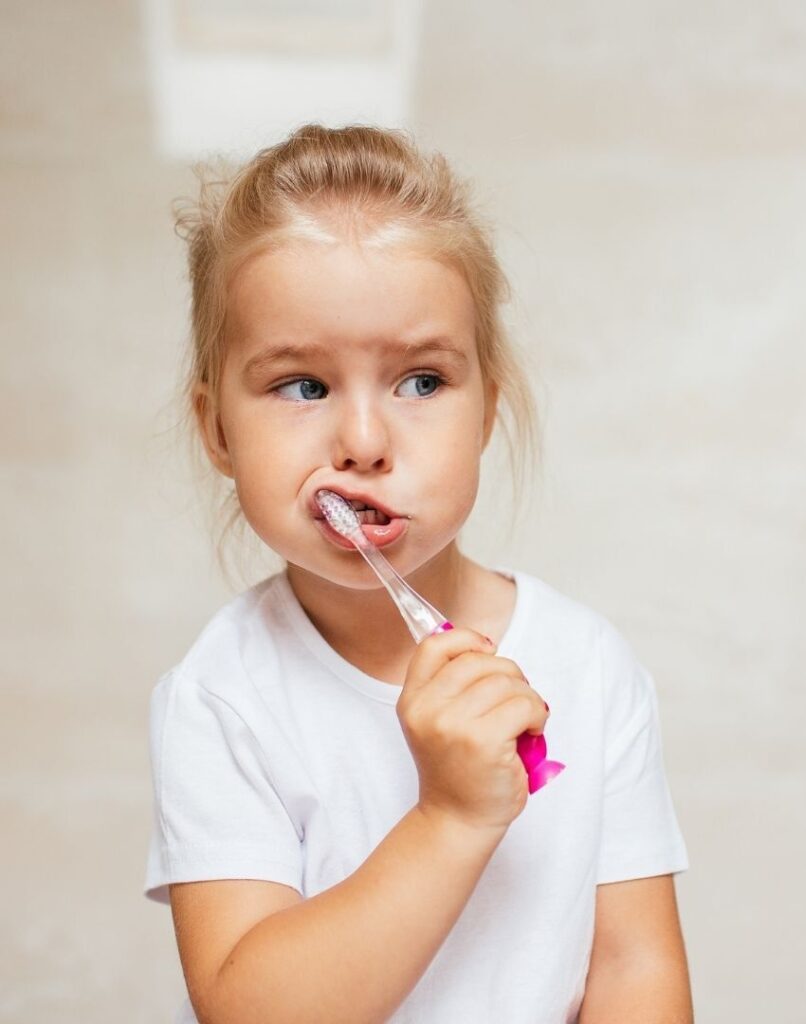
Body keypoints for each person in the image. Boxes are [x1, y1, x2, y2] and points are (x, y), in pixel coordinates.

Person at [143, 123, 693, 1024]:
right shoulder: (221, 699)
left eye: (422, 382)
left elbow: (636, 973)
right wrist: (451, 817)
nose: (363, 443)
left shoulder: (586, 666)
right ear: (217, 431)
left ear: (487, 410)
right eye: (303, 386)